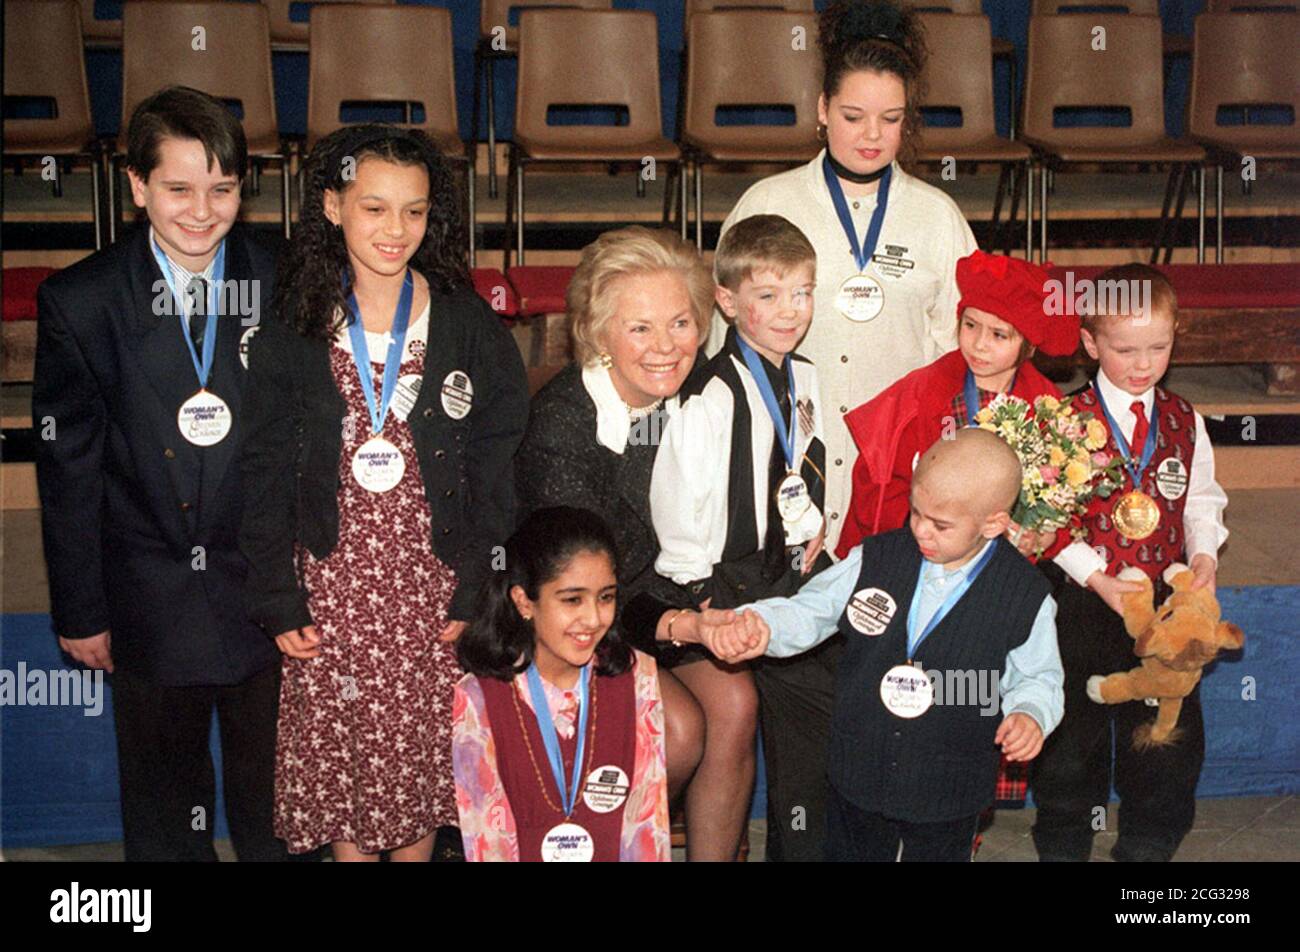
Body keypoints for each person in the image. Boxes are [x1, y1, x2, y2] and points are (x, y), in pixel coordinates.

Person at [239, 124, 529, 861]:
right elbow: (265, 470)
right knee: (347, 778)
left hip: (432, 588)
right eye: (373, 208)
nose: (395, 230)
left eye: (414, 210)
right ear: (332, 207)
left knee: (419, 771)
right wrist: (277, 595)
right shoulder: (294, 323)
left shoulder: (465, 322)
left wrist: (478, 585)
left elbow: (498, 466)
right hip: (331, 587)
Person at [33, 85, 290, 861]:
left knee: (278, 812)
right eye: (178, 188)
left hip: (268, 593)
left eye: (223, 188)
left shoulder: (286, 281)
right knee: (164, 814)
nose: (202, 211)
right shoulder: (81, 301)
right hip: (149, 595)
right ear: (137, 186)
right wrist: (81, 609)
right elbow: (68, 468)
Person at [707, 429, 1064, 862]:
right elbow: (815, 607)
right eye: (916, 513)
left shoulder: (1024, 594)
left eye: (941, 525)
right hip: (859, 764)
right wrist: (763, 625)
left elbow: (1039, 676)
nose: (921, 531)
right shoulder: (877, 557)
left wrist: (1030, 714)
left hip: (949, 782)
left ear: (993, 522)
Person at [516, 226, 754, 861]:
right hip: (580, 619)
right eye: (640, 329)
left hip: (664, 604)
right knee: (675, 731)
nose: (666, 348)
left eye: (681, 324)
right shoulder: (565, 427)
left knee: (734, 701)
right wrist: (680, 625)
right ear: (597, 334)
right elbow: (580, 592)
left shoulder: (707, 394)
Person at [710, 0, 978, 553]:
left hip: (899, 473)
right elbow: (724, 351)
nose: (871, 136)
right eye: (853, 116)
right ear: (822, 108)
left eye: (892, 119)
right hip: (780, 464)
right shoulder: (768, 203)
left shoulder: (938, 216)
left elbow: (963, 354)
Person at [1031, 264, 1229, 863]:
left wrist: (1202, 554)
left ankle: (1148, 845)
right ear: (1090, 344)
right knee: (1073, 733)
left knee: (1165, 729)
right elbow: (1046, 518)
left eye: (1158, 348)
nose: (1142, 364)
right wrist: (1096, 577)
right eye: (1124, 349)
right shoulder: (1061, 419)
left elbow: (1202, 499)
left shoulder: (1185, 420)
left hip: (1165, 610)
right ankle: (1064, 841)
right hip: (1084, 599)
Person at [652, 214, 833, 862]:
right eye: (769, 295)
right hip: (725, 580)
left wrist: (813, 531)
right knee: (805, 708)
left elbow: (805, 463)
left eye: (803, 292)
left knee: (855, 674)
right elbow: (678, 501)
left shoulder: (805, 375)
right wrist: (704, 596)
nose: (791, 311)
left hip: (791, 567)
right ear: (727, 301)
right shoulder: (707, 393)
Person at [452, 506, 671, 862]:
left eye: (606, 597)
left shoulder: (638, 677)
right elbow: (487, 843)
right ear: (524, 601)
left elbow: (646, 829)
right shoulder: (479, 697)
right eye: (572, 599)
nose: (593, 619)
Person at [836, 250, 1079, 557]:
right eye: (970, 325)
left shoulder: (1047, 409)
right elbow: (879, 485)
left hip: (998, 563)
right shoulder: (922, 393)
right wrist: (929, 532)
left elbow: (1064, 500)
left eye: (999, 335)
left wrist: (1043, 537)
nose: (979, 344)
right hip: (915, 551)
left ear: (1028, 347)